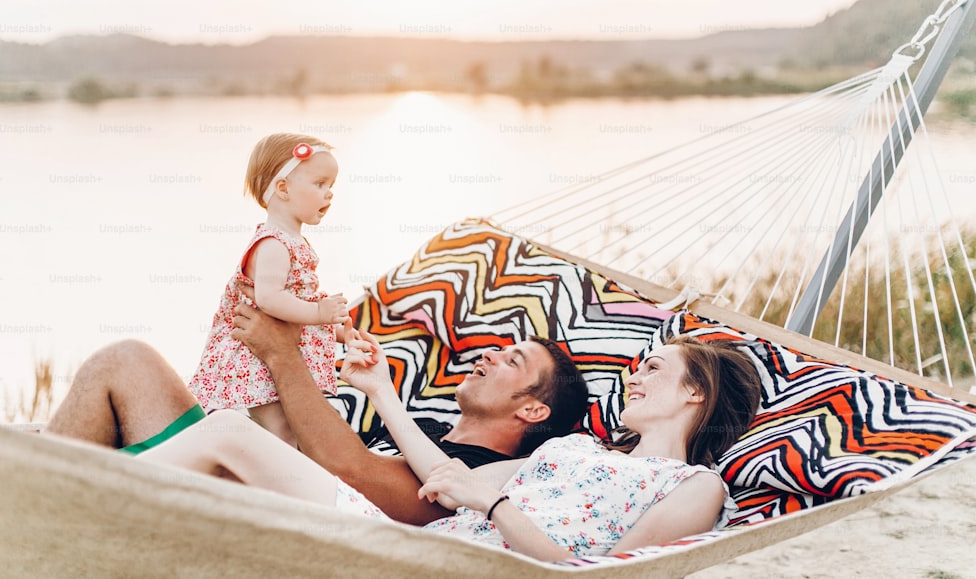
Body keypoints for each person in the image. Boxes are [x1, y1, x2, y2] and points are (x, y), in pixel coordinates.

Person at [135, 335, 762, 561]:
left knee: (227, 432)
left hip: (441, 565)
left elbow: (604, 577)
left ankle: (65, 486)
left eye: (653, 369)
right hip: (408, 545)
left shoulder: (694, 487)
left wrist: (492, 506)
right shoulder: (578, 450)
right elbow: (445, 472)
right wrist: (380, 388)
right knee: (226, 432)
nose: (636, 376)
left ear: (694, 394)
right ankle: (71, 481)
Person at [45, 300, 590, 526]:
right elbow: (301, 459)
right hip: (241, 479)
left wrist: (283, 355)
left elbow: (352, 476)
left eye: (512, 360)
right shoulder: (423, 429)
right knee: (125, 360)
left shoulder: (472, 475)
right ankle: (34, 482)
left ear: (534, 408)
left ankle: (52, 500)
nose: (490, 352)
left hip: (272, 527)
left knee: (228, 427)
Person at [187, 133, 355, 445]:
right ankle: (271, 476)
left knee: (290, 426)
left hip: (270, 351)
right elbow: (270, 299)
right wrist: (319, 312)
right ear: (283, 188)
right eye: (320, 184)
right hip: (252, 356)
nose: (329, 194)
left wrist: (337, 330)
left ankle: (278, 468)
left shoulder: (291, 240)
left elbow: (295, 298)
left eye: (331, 186)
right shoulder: (273, 243)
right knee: (279, 429)